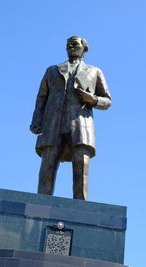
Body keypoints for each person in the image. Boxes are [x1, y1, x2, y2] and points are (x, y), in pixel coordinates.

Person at [30, 36, 111, 200]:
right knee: (47, 166)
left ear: (84, 49)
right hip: (52, 125)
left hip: (81, 125)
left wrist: (93, 99)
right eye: (68, 45)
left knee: (81, 167)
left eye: (75, 44)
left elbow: (107, 101)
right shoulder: (52, 70)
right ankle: (42, 205)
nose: (71, 47)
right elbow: (42, 97)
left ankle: (80, 206)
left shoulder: (94, 71)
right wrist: (36, 120)